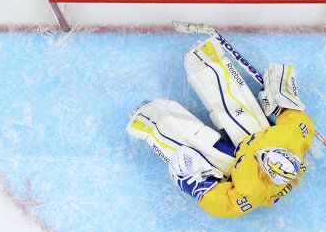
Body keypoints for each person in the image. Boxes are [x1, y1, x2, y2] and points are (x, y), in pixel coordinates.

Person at [126, 35, 315, 218]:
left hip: (235, 168)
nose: (263, 153)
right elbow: (300, 120)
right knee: (240, 111)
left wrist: (198, 187)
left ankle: (151, 123)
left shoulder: (252, 190)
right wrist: (282, 103)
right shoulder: (291, 137)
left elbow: (224, 206)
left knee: (202, 150)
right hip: (253, 140)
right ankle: (207, 62)